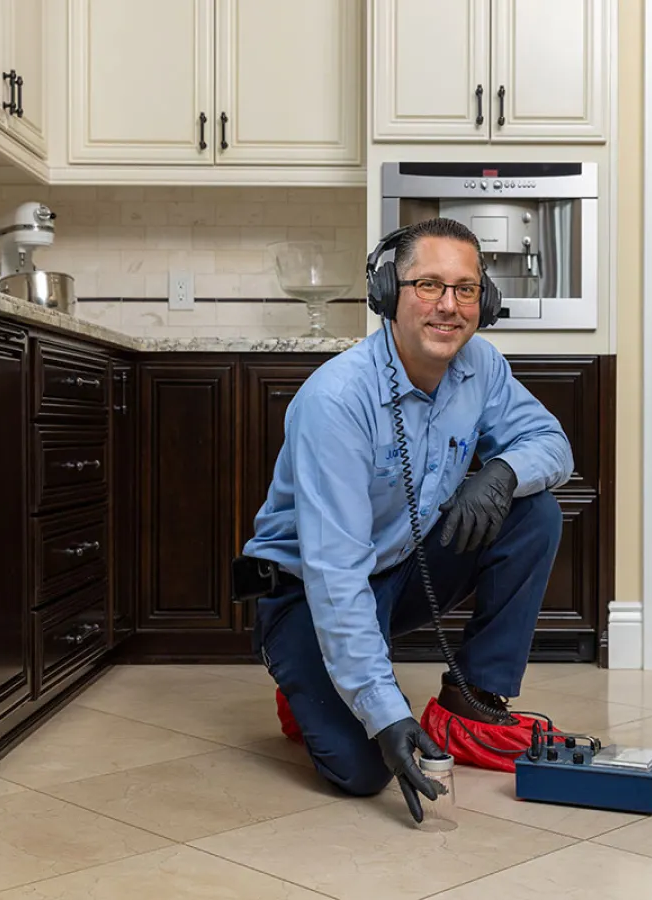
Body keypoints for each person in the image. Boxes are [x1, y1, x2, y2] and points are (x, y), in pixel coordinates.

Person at [242, 216, 573, 823]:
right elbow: (335, 573)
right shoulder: (336, 401)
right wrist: (386, 712)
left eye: (466, 289)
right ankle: (304, 682)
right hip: (308, 594)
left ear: (485, 301)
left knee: (534, 511)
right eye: (428, 285)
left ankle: (470, 701)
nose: (449, 306)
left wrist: (499, 473)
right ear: (389, 293)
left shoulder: (483, 367)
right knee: (364, 772)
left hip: (402, 567)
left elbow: (552, 444)